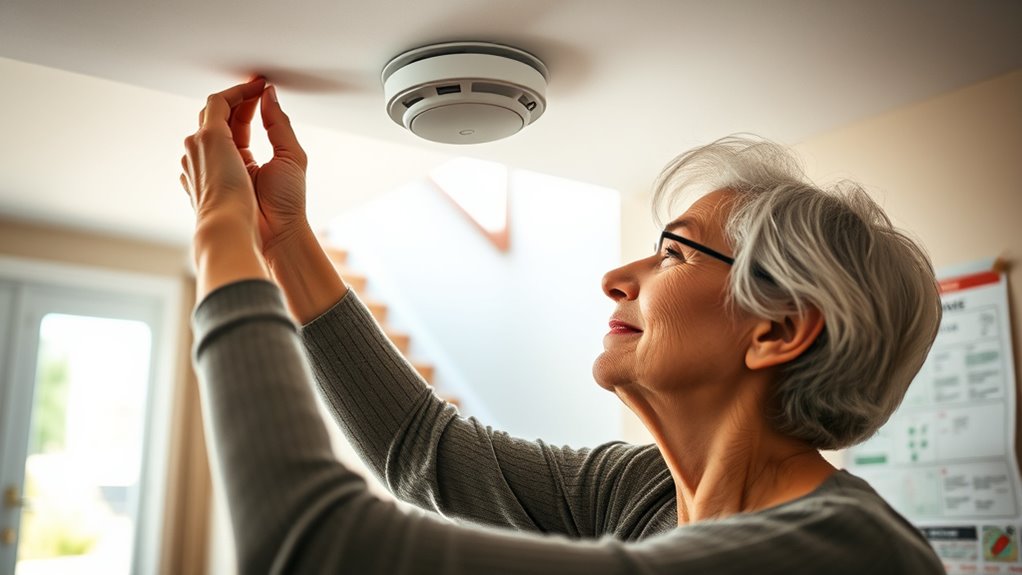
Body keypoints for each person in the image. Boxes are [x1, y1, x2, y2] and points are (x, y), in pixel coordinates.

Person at [182, 77, 945, 574]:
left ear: (778, 329)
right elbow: (421, 449)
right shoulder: (644, 492)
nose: (618, 277)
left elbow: (305, 539)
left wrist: (220, 225)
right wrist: (279, 238)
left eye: (674, 253)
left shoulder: (843, 555)